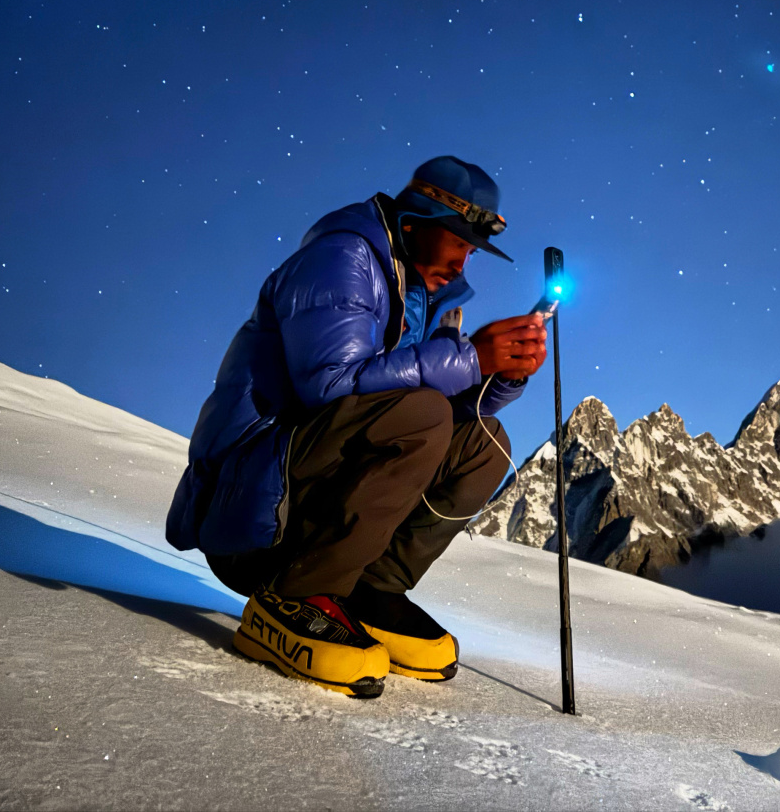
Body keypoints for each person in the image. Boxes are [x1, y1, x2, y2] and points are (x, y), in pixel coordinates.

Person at [165, 156, 546, 697]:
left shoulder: (425, 296)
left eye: (471, 249)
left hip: (307, 483)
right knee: (423, 414)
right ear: (415, 222)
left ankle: (368, 587)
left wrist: (501, 375)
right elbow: (330, 382)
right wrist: (469, 360)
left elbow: (430, 418)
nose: (464, 262)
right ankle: (299, 594)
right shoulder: (342, 257)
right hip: (253, 505)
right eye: (458, 242)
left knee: (483, 444)